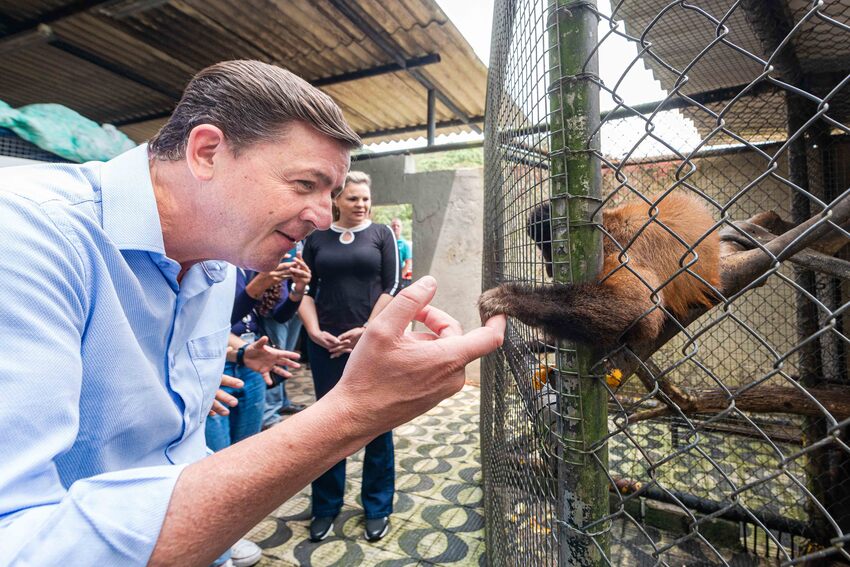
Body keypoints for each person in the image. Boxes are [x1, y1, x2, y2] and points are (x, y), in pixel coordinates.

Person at [0, 59, 505, 566]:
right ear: (206, 152)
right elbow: (22, 543)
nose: (322, 216)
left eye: (331, 194)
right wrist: (355, 413)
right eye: (305, 184)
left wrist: (193, 373)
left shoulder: (219, 257)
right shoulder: (26, 238)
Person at [299, 171, 398, 543]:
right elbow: (307, 290)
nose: (361, 205)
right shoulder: (317, 237)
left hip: (370, 343)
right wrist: (312, 331)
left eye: (366, 199)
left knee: (376, 424)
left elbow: (391, 286)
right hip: (325, 344)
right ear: (337, 200)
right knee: (326, 427)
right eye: (353, 198)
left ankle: (377, 506)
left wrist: (366, 332)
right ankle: (325, 507)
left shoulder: (381, 234)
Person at [261, 244, 309, 426]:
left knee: (286, 356)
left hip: (296, 302)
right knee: (276, 358)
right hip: (275, 303)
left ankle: (282, 402)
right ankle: (270, 414)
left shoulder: (303, 242)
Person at [391, 217, 413, 288]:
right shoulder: (386, 242)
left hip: (398, 278)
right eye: (393, 225)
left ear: (401, 228)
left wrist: (399, 278)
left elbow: (408, 263)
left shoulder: (404, 244)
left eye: (398, 226)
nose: (395, 227)